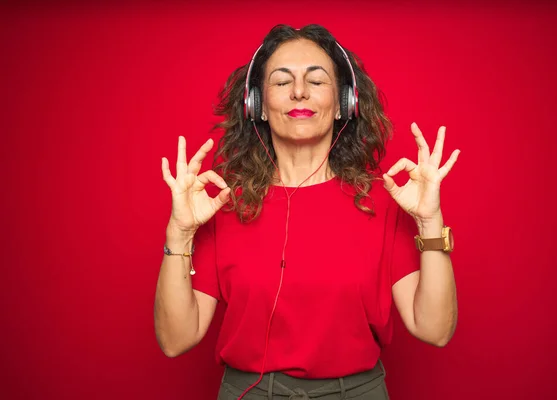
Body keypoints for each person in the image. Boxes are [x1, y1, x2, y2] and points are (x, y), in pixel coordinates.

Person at [154, 24, 460, 400]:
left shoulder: (384, 200)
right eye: (282, 82)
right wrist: (179, 233)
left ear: (344, 104)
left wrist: (431, 221)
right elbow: (175, 340)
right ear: (257, 106)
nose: (299, 91)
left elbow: (435, 330)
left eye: (316, 81)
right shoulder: (220, 203)